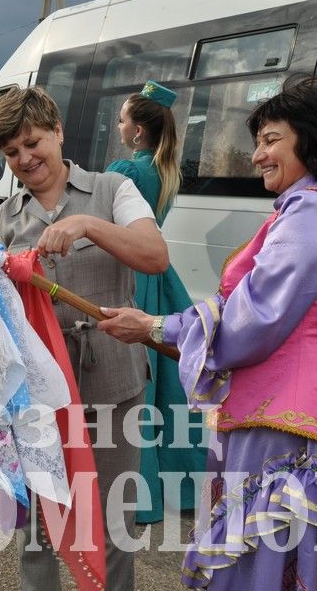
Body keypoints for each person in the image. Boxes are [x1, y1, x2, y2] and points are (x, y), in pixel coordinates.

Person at [98, 75, 317, 589]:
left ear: (313, 139)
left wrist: (156, 325)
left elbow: (253, 318)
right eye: (258, 143)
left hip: (287, 427)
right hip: (305, 416)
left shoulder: (315, 209)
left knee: (264, 564)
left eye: (271, 140)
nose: (256, 157)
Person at [0, 85, 169, 591]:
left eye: (32, 142)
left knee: (112, 523)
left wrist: (88, 223)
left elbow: (154, 255)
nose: (25, 159)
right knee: (39, 526)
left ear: (58, 132)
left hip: (113, 384)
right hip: (38, 399)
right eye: (11, 153)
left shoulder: (113, 190)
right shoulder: (3, 219)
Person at [105, 80, 206, 524]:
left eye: (123, 118)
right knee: (166, 384)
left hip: (131, 277)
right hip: (161, 280)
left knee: (132, 386)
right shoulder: (167, 172)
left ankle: (135, 493)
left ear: (139, 132)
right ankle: (182, 487)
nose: (118, 123)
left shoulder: (127, 172)